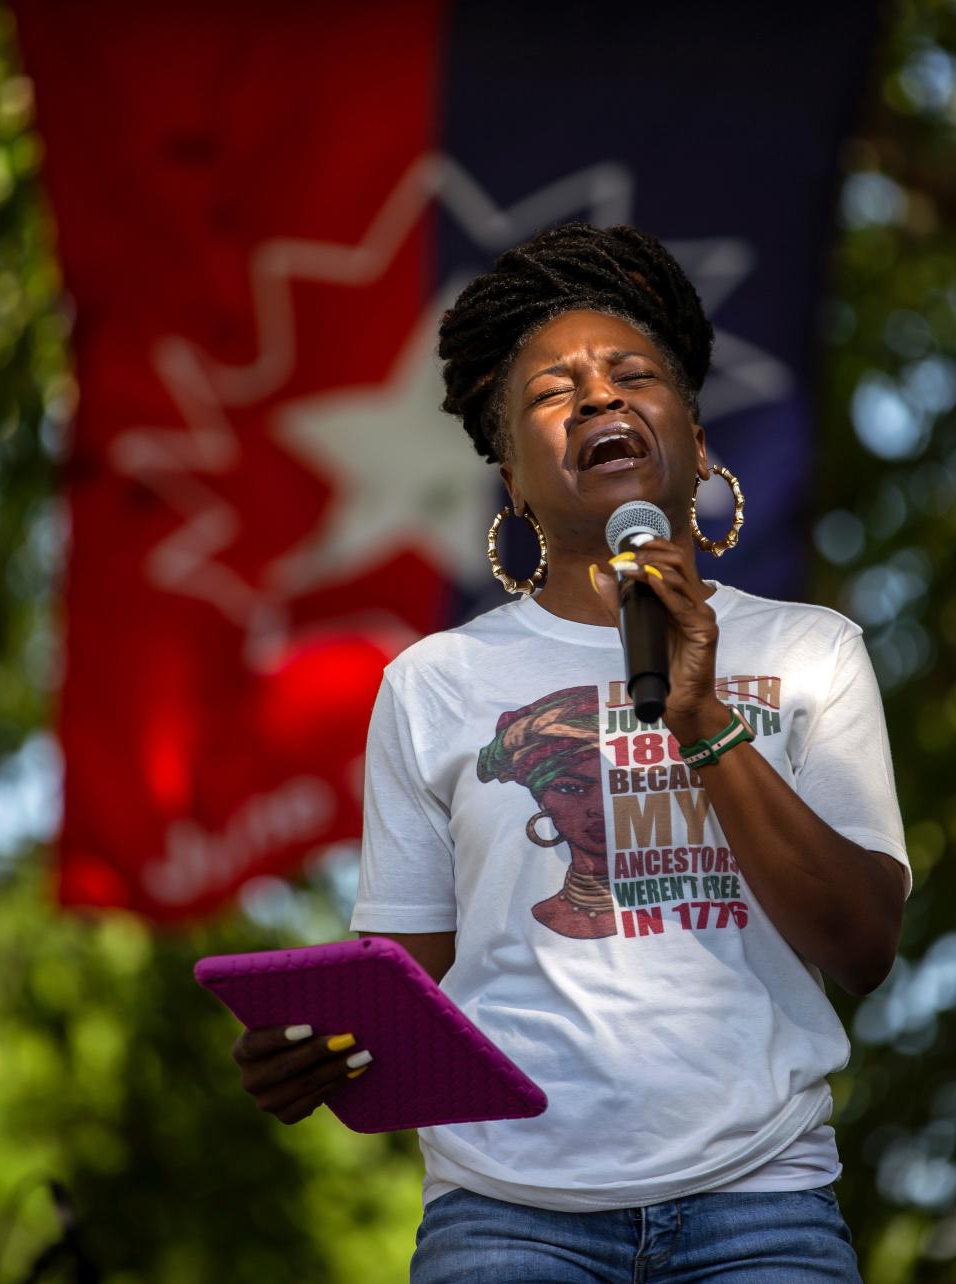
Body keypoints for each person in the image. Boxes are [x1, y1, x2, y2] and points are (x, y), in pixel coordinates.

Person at [232, 223, 911, 1282]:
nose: (599, 397)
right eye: (555, 393)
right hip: (507, 1219)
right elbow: (407, 994)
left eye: (634, 375)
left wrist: (701, 718)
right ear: (510, 473)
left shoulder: (809, 650)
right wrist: (320, 1053)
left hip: (764, 1207)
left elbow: (862, 944)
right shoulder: (433, 683)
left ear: (689, 429)